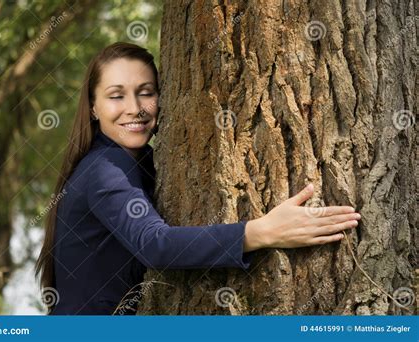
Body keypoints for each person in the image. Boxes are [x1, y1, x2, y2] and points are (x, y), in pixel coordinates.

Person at [35, 42, 361, 315]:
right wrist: (262, 232)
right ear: (93, 107)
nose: (135, 108)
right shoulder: (104, 169)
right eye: (116, 96)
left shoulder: (138, 161)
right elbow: (155, 245)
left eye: (146, 93)